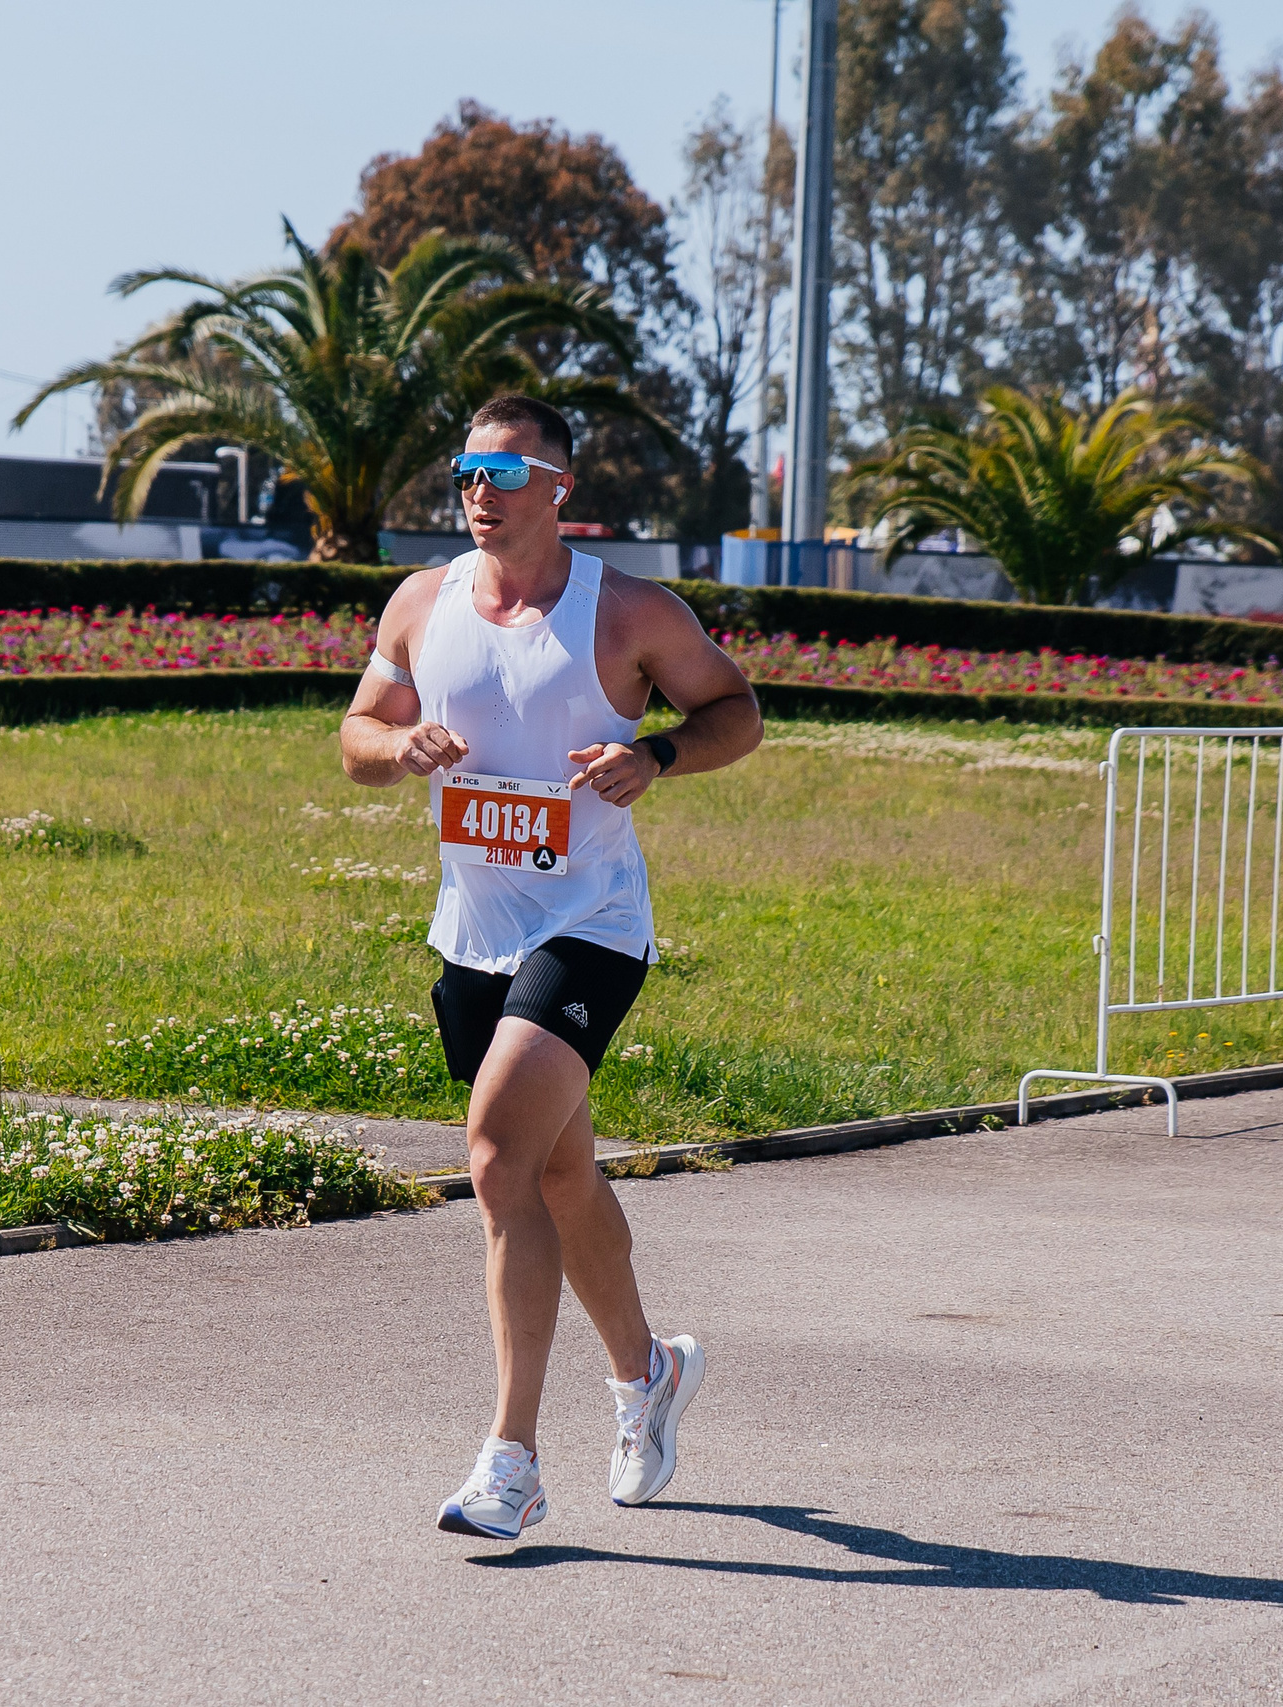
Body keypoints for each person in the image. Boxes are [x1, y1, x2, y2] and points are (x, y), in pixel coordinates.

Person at [340, 393, 762, 1540]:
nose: (479, 488)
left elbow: (737, 709)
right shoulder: (422, 605)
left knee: (492, 1160)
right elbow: (357, 737)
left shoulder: (624, 613)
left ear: (558, 487)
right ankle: (649, 1373)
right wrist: (400, 744)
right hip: (470, 934)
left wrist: (656, 754)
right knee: (559, 1180)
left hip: (588, 924)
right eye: (465, 467)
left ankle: (510, 1461)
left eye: (506, 470)